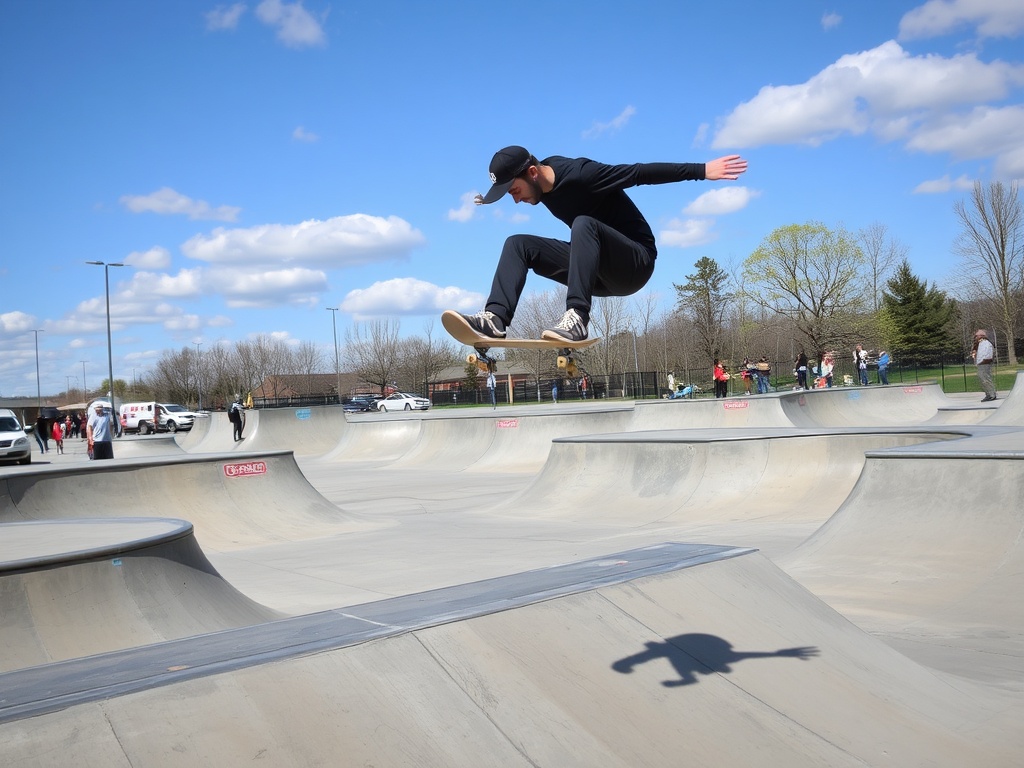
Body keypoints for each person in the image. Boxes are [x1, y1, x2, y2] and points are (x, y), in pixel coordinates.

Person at [453, 146, 748, 343]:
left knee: (583, 223)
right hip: (595, 271)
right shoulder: (539, 184)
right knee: (517, 243)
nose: (517, 200)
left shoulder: (583, 175)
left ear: (532, 173)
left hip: (635, 262)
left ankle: (577, 319)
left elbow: (639, 173)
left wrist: (702, 170)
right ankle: (495, 319)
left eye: (515, 191)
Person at [972, 329, 997, 401]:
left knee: (985, 378)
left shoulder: (986, 343)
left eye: (977, 336)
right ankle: (988, 393)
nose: (975, 337)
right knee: (982, 378)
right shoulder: (980, 343)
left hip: (984, 363)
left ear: (981, 336)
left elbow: (986, 353)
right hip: (981, 363)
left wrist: (984, 361)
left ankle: (991, 394)